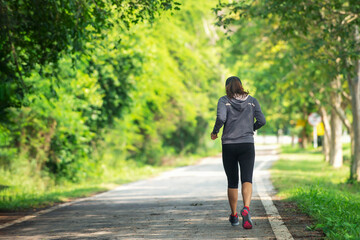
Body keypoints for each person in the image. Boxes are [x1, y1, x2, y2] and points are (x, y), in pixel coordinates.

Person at [211, 76, 266, 229]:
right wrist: (251, 128)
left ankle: (234, 215)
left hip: (229, 145)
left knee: (232, 181)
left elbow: (221, 117)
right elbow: (262, 121)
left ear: (227, 86)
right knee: (247, 178)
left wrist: (215, 131)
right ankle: (246, 209)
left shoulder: (223, 100)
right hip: (247, 144)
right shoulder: (252, 100)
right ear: (241, 86)